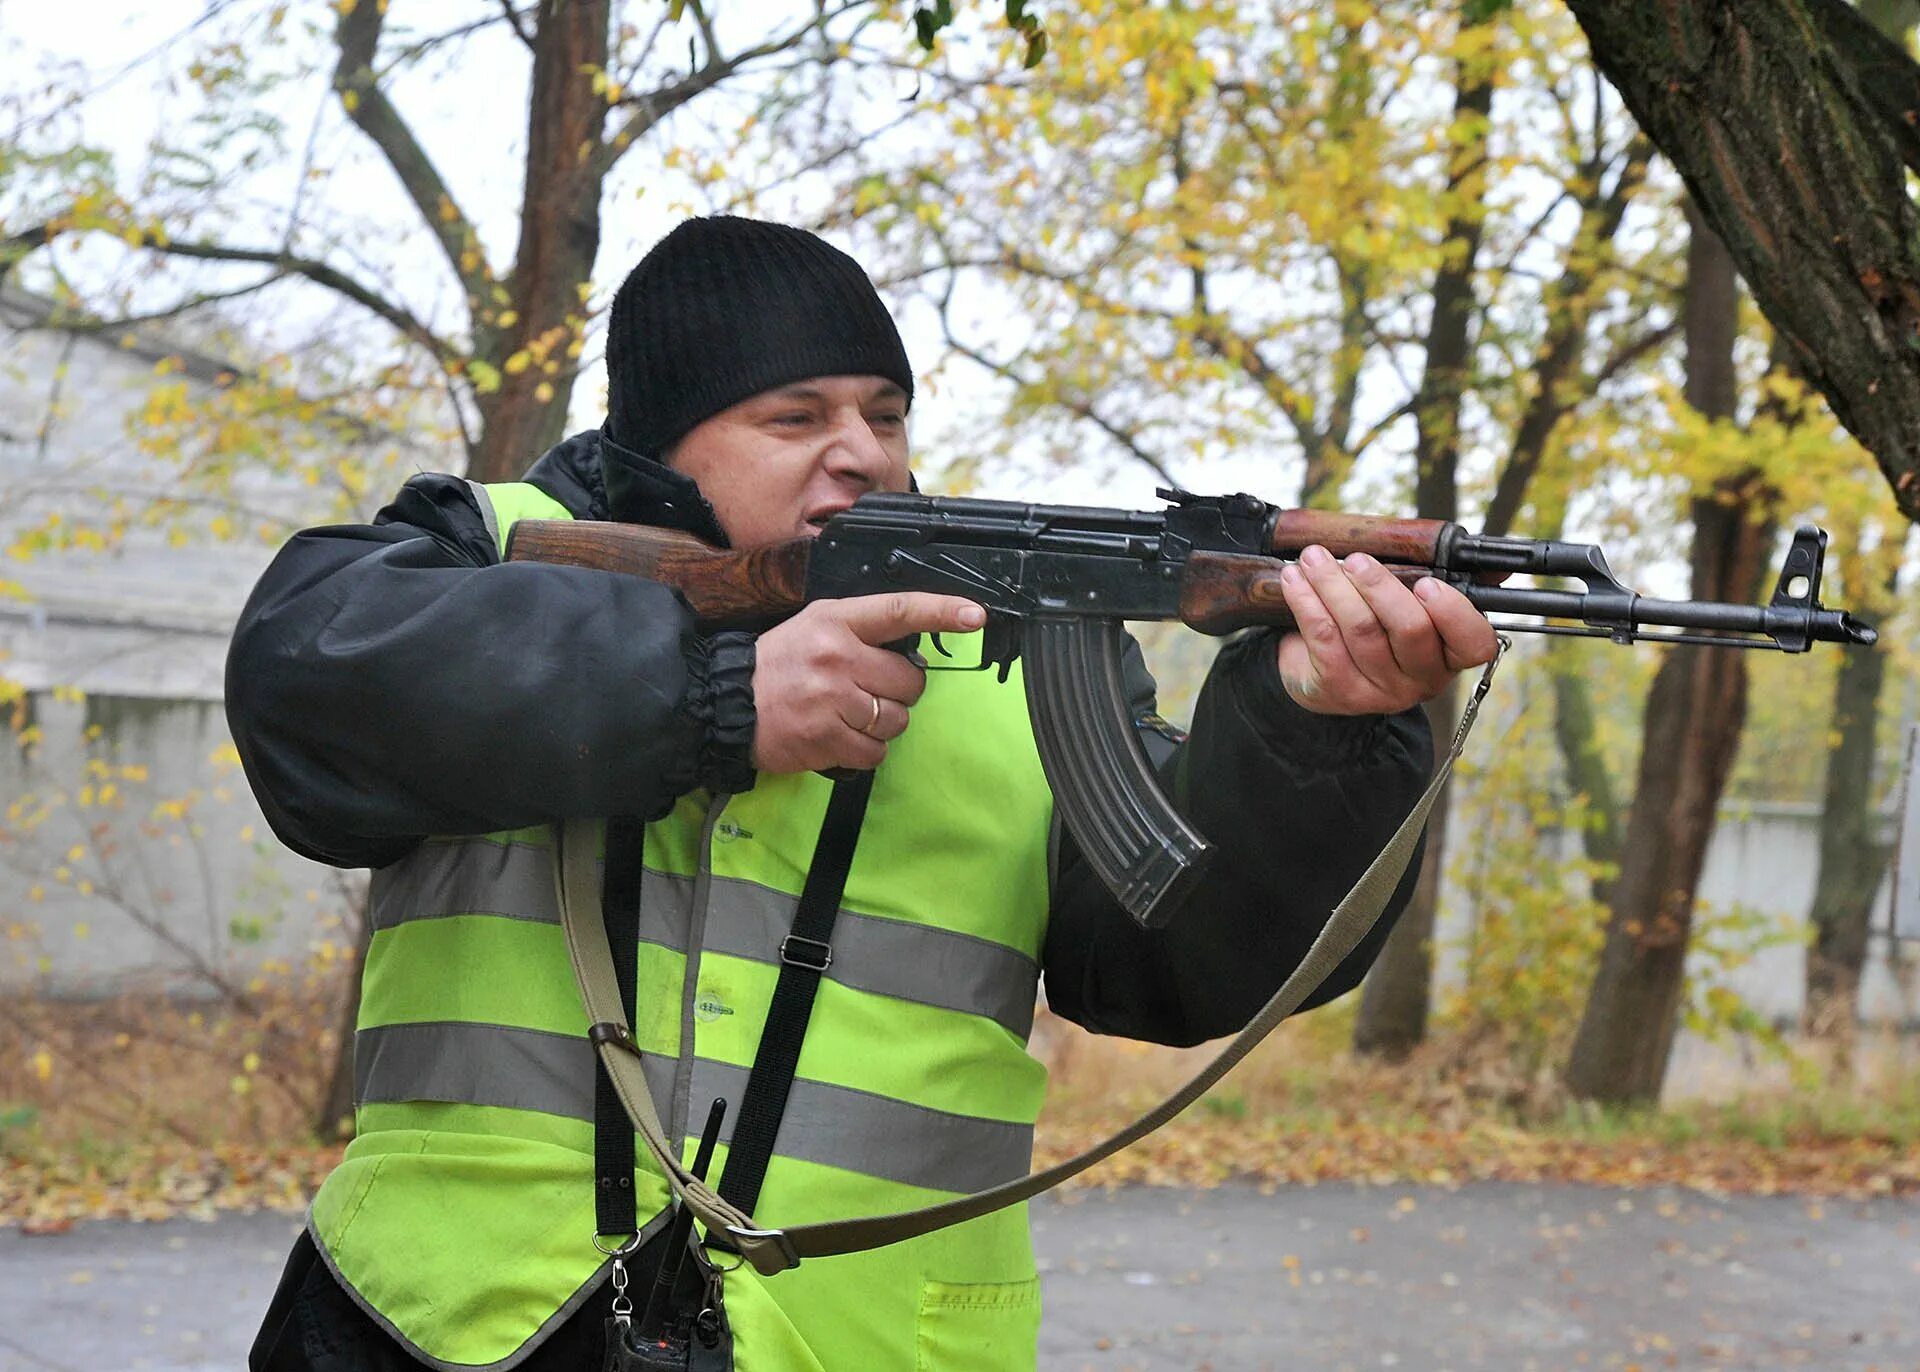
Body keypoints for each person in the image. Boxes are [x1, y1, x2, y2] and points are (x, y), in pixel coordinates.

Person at [231, 215, 1496, 1371]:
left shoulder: (1015, 650)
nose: (864, 452)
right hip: (448, 1331)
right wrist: (718, 693)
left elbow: (1177, 968)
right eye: (797, 416)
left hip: (869, 1340)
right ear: (662, 442)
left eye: (886, 414)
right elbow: (305, 684)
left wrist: (1310, 732)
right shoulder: (485, 545)